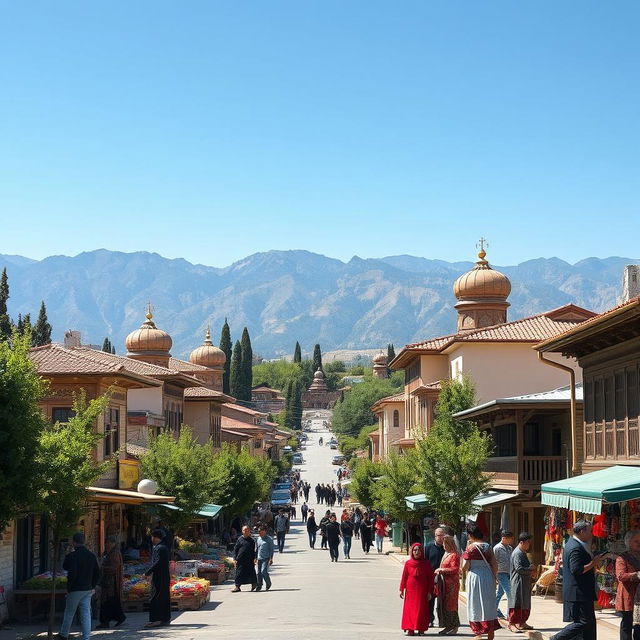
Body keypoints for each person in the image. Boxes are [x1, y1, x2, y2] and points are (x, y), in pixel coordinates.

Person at [550, 520, 601, 640]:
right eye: (589, 531)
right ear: (582, 531)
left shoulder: (573, 543)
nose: (591, 534)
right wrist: (593, 563)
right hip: (579, 592)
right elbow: (577, 570)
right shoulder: (575, 547)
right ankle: (556, 638)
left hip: (582, 592)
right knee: (583, 622)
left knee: (589, 623)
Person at [58, 532, 100, 640]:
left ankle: (64, 634)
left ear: (74, 542)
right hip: (87, 588)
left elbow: (68, 569)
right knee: (86, 613)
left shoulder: (73, 555)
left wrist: (69, 588)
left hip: (76, 588)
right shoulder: (91, 555)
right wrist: (93, 586)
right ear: (84, 541)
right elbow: (98, 573)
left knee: (69, 612)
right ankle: (86, 637)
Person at [462, 525, 500, 640]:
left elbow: (464, 566)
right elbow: (494, 565)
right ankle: (490, 633)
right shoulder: (488, 547)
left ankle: (478, 633)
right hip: (487, 577)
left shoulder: (470, 548)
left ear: (471, 535)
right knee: (488, 603)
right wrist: (494, 578)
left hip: (475, 577)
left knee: (475, 603)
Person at [400, 542, 435, 636]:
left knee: (421, 610)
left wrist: (429, 592)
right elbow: (404, 577)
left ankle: (421, 628)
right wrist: (401, 589)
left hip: (422, 591)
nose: (417, 552)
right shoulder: (408, 563)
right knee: (410, 610)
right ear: (412, 551)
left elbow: (430, 578)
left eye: (419, 550)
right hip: (410, 591)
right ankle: (410, 629)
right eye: (415, 550)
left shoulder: (426, 563)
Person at [97, 535, 126, 629]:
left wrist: (102, 568)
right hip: (109, 582)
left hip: (111, 583)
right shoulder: (110, 552)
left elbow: (113, 567)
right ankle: (120, 617)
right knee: (112, 602)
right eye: (106, 543)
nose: (107, 544)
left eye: (109, 542)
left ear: (113, 543)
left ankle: (105, 622)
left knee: (107, 602)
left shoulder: (114, 553)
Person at [615, 530, 640, 640]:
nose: (639, 543)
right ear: (629, 542)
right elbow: (620, 576)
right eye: (636, 541)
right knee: (627, 623)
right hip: (628, 595)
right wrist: (636, 575)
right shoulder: (622, 557)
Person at [144, 529, 171, 628]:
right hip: (162, 576)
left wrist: (148, 572)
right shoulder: (161, 547)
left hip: (160, 577)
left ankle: (156, 620)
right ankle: (164, 618)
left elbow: (158, 562)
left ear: (155, 537)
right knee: (163, 597)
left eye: (152, 536)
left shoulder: (160, 548)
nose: (151, 539)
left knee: (156, 597)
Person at [434, 534, 461, 635]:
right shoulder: (446, 554)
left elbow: (455, 569)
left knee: (451, 605)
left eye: (445, 544)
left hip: (451, 585)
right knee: (443, 605)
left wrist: (442, 570)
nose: (443, 546)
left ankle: (454, 626)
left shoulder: (454, 555)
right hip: (444, 584)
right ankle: (447, 625)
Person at [508, 532, 534, 633]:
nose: (529, 544)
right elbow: (519, 569)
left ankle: (522, 622)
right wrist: (530, 569)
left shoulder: (522, 552)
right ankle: (512, 623)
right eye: (528, 542)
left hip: (524, 583)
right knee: (517, 603)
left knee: (525, 603)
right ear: (522, 542)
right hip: (518, 583)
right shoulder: (517, 553)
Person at [425, 527, 446, 627]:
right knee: (431, 599)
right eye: (439, 536)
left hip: (444, 577)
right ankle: (430, 619)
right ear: (435, 536)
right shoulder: (429, 546)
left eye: (443, 536)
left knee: (443, 601)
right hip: (431, 577)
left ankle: (443, 620)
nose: (441, 538)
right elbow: (425, 561)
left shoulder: (447, 547)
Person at [494, 530, 514, 619]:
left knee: (499, 593)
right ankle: (510, 614)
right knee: (510, 593)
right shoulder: (497, 548)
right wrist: (494, 575)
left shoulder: (510, 548)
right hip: (500, 573)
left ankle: (493, 609)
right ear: (504, 538)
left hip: (509, 573)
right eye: (510, 539)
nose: (511, 541)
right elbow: (493, 561)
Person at [232, 525, 258, 592]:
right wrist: (234, 559)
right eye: (244, 530)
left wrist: (255, 558)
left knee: (251, 572)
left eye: (247, 530)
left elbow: (256, 550)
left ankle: (254, 584)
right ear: (242, 531)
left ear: (249, 531)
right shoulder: (239, 539)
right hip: (240, 560)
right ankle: (237, 587)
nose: (245, 531)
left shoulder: (252, 540)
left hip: (249, 559)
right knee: (239, 573)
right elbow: (235, 549)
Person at [255, 525, 274, 592]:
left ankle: (268, 583)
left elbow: (271, 550)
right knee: (258, 573)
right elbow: (257, 549)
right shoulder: (258, 539)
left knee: (263, 571)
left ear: (265, 531)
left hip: (266, 558)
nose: (259, 533)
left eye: (260, 531)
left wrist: (271, 559)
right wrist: (255, 558)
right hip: (259, 558)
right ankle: (259, 585)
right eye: (258, 531)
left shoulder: (269, 539)